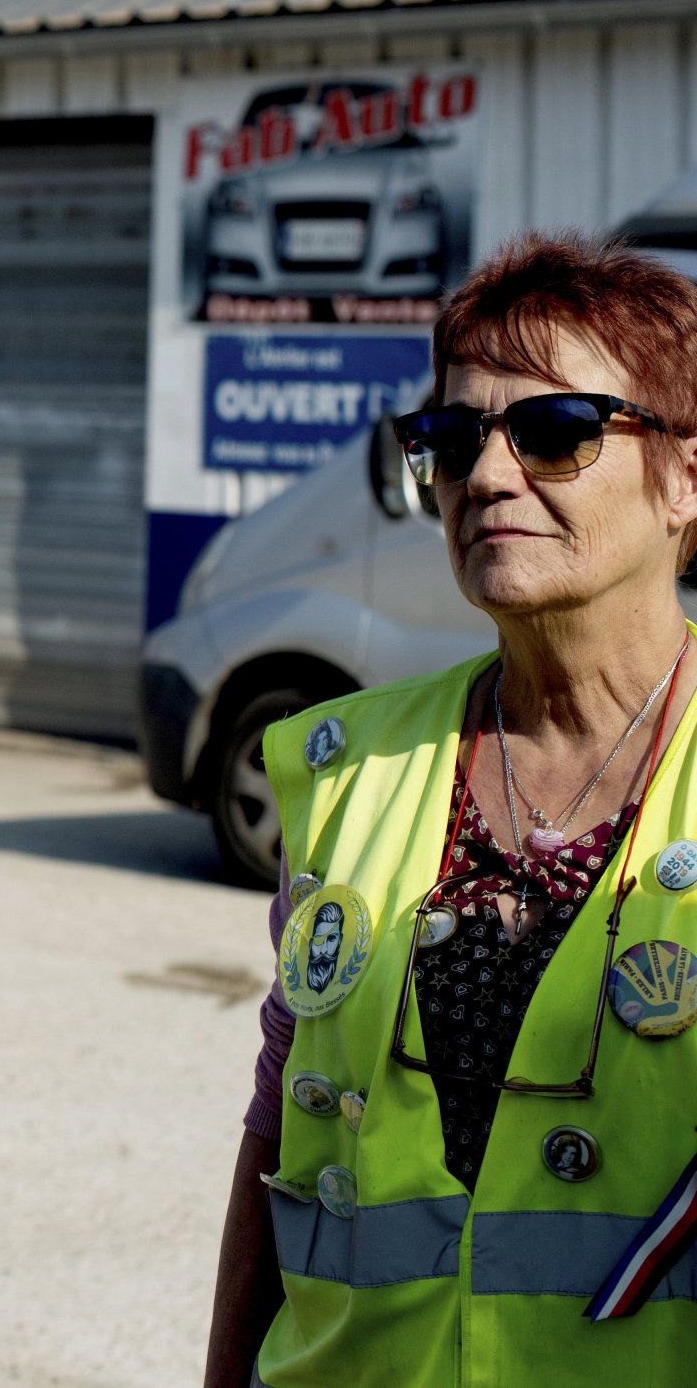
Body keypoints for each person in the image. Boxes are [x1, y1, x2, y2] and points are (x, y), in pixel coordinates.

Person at [204, 234, 697, 1387]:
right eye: (454, 438)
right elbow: (281, 1126)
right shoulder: (349, 765)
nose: (485, 474)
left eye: (557, 432)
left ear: (685, 477)